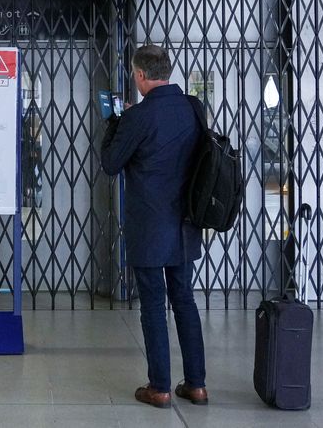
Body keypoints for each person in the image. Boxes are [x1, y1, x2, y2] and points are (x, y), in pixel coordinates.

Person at [101, 44, 207, 409]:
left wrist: (115, 123)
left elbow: (111, 164)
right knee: (184, 300)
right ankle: (196, 385)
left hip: (149, 225)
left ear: (141, 75)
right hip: (186, 224)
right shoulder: (193, 108)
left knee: (152, 304)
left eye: (135, 75)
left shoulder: (138, 117)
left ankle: (159, 386)